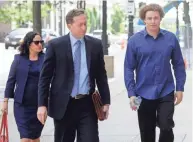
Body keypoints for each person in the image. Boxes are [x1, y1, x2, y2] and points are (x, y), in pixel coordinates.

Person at [37, 9, 111, 142]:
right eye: (80, 25)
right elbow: (45, 77)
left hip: (87, 105)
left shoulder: (95, 45)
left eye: (85, 24)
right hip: (64, 106)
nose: (84, 28)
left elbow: (101, 75)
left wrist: (106, 101)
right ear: (69, 25)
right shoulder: (55, 45)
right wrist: (42, 105)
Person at [124, 4, 186, 142]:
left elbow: (178, 64)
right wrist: (131, 93)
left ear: (160, 19)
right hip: (143, 92)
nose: (153, 21)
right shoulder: (134, 41)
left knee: (166, 125)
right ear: (144, 20)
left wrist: (180, 88)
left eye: (156, 18)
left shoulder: (170, 38)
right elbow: (128, 67)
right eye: (149, 18)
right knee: (147, 132)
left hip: (166, 90)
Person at [2, 31, 45, 142]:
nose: (40, 44)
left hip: (39, 104)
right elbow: (11, 80)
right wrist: (5, 101)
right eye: (36, 42)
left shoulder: (45, 59)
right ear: (29, 44)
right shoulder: (18, 59)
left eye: (41, 42)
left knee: (35, 138)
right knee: (25, 138)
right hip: (21, 105)